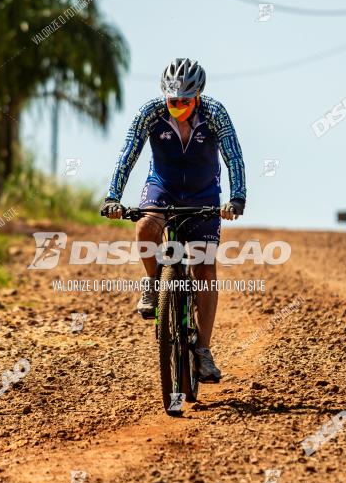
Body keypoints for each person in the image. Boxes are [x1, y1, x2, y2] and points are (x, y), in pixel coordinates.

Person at [101, 58, 246, 383]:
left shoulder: (215, 113)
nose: (178, 106)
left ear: (197, 96)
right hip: (162, 187)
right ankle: (154, 283)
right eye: (172, 100)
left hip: (203, 193)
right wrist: (113, 196)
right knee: (146, 226)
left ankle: (203, 351)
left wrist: (237, 198)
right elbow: (128, 153)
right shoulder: (151, 112)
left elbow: (234, 155)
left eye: (184, 100)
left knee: (205, 269)